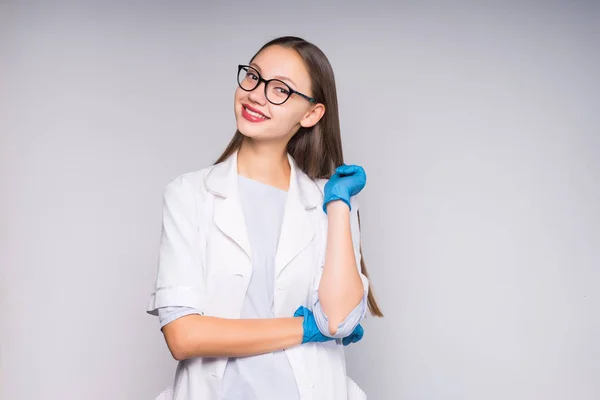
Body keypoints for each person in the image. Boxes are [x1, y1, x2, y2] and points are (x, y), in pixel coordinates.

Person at [146, 36, 383, 400]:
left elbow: (337, 319)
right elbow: (184, 337)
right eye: (253, 77)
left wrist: (337, 206)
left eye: (280, 90)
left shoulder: (329, 203)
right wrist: (303, 329)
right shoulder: (189, 194)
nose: (255, 94)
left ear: (311, 114)